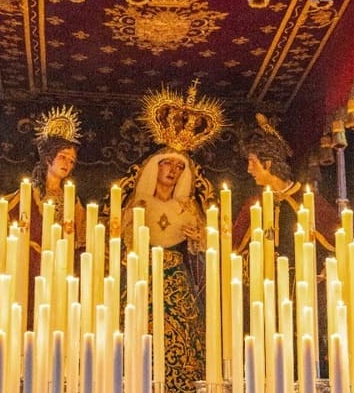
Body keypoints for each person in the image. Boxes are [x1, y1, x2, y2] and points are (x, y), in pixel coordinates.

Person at [118, 83, 223, 391]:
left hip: (177, 277)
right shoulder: (138, 204)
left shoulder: (188, 206)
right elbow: (122, 243)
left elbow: (203, 246)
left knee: (184, 333)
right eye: (168, 163)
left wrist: (197, 239)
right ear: (155, 166)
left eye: (180, 167)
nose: (173, 170)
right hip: (143, 276)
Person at [1, 105, 86, 287]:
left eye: (71, 161)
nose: (67, 164)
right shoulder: (29, 194)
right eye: (63, 157)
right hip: (33, 269)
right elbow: (6, 222)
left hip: (62, 267)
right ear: (49, 158)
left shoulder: (72, 200)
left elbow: (82, 238)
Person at [232, 113, 339, 258]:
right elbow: (231, 246)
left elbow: (339, 240)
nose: (249, 169)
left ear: (268, 164)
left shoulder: (308, 201)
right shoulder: (254, 206)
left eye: (252, 162)